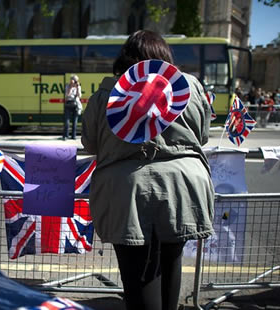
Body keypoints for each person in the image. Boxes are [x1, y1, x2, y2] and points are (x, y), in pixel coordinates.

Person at [82, 30, 214, 310]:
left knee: (137, 273)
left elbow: (91, 143)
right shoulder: (189, 87)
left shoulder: (105, 94)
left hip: (126, 190)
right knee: (172, 259)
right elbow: (202, 137)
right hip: (183, 187)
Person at [63, 75, 82, 140]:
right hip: (68, 103)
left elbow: (79, 96)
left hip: (76, 104)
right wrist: (70, 87)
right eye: (74, 80)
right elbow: (67, 95)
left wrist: (77, 88)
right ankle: (66, 135)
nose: (75, 82)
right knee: (67, 121)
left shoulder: (78, 86)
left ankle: (73, 136)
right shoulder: (67, 86)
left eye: (76, 80)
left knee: (75, 122)